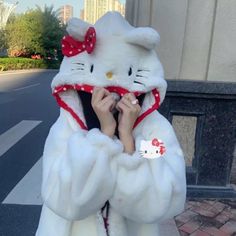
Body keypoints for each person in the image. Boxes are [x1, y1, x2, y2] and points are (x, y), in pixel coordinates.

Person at [36, 11, 186, 236]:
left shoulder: (155, 130)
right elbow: (63, 200)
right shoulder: (66, 126)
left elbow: (163, 202)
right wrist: (104, 137)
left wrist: (128, 141)